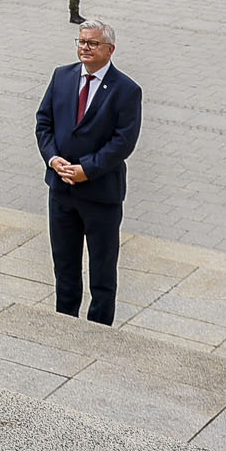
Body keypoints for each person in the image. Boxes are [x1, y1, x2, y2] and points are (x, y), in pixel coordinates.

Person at [35, 21, 141, 325]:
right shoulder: (62, 76)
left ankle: (98, 332)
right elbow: (44, 122)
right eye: (81, 41)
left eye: (92, 43)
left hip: (100, 196)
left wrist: (88, 169)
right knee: (65, 268)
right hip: (62, 192)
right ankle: (65, 324)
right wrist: (53, 159)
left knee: (102, 273)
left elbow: (123, 141)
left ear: (110, 49)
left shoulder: (126, 90)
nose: (84, 48)